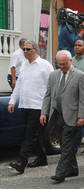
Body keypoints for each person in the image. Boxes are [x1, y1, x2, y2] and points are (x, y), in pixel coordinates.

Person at [40, 50, 84, 184]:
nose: (61, 67)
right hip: (57, 114)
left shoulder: (80, 76)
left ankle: (60, 173)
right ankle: (73, 168)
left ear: (70, 61)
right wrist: (44, 112)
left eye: (64, 64)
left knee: (66, 145)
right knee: (63, 143)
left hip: (72, 115)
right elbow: (48, 95)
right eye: (59, 64)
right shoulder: (53, 75)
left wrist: (81, 116)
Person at [8, 40, 53, 174]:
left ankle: (21, 162)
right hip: (25, 105)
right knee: (34, 135)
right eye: (24, 49)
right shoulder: (23, 66)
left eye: (28, 49)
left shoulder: (45, 65)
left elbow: (52, 86)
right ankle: (42, 158)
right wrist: (12, 101)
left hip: (38, 106)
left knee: (29, 135)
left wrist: (49, 106)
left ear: (35, 50)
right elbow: (19, 85)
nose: (25, 52)